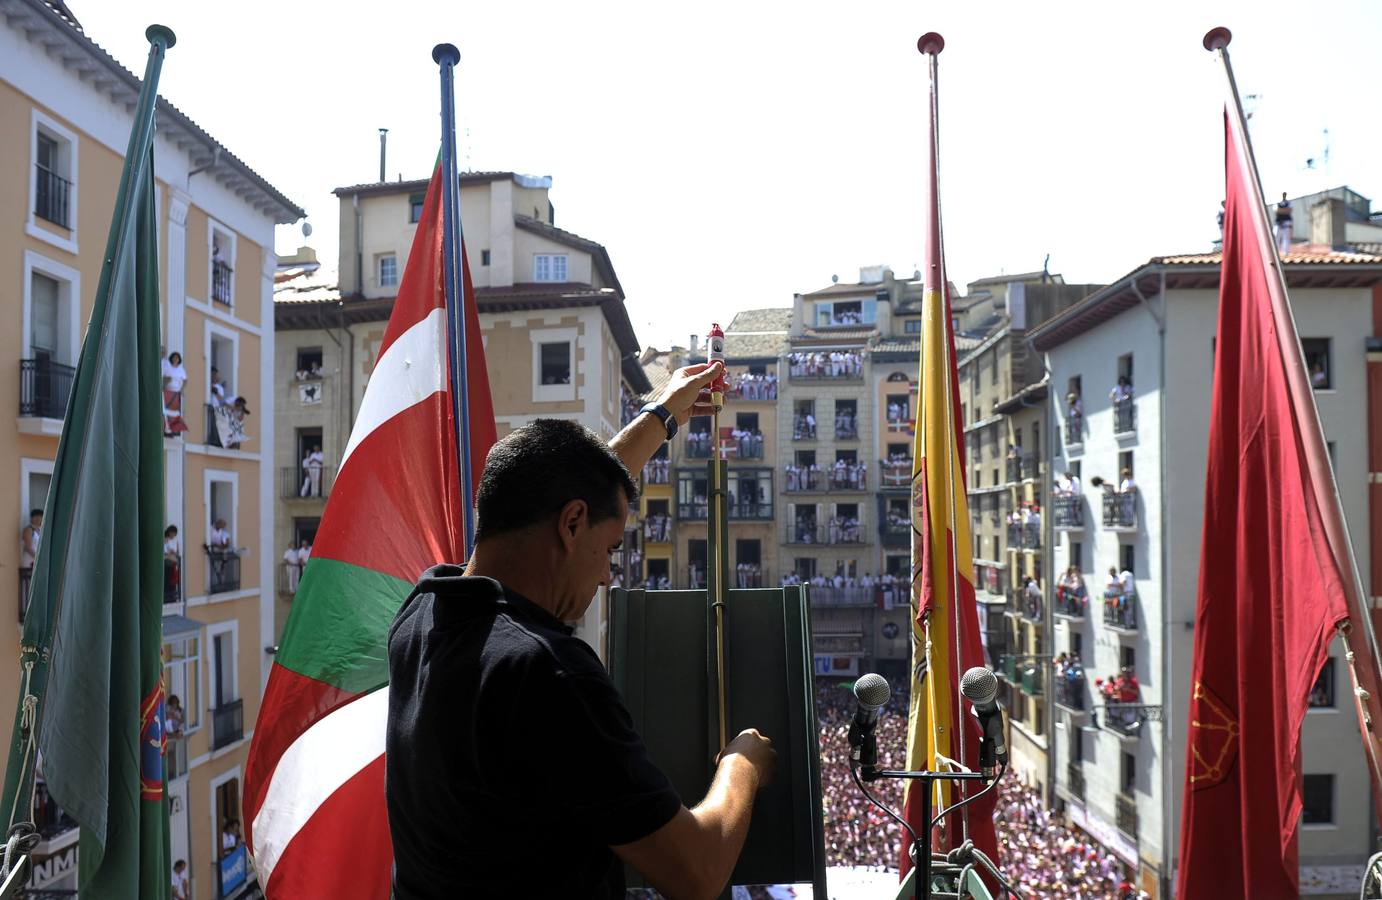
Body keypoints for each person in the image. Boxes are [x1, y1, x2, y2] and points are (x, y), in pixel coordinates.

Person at [386, 361, 776, 898]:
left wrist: (659, 417)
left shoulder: (423, 613)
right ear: (571, 525)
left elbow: (564, 488)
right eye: (611, 549)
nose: (604, 573)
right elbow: (698, 871)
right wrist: (742, 764)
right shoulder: (547, 673)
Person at [161, 351, 189, 436]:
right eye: (174, 357)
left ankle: (173, 429)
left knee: (175, 413)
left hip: (176, 394)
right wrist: (166, 381)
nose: (175, 359)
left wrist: (182, 390)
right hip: (167, 392)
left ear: (179, 359)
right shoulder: (167, 368)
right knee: (166, 412)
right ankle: (166, 428)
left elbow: (185, 381)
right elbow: (164, 378)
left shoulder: (181, 370)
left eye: (177, 358)